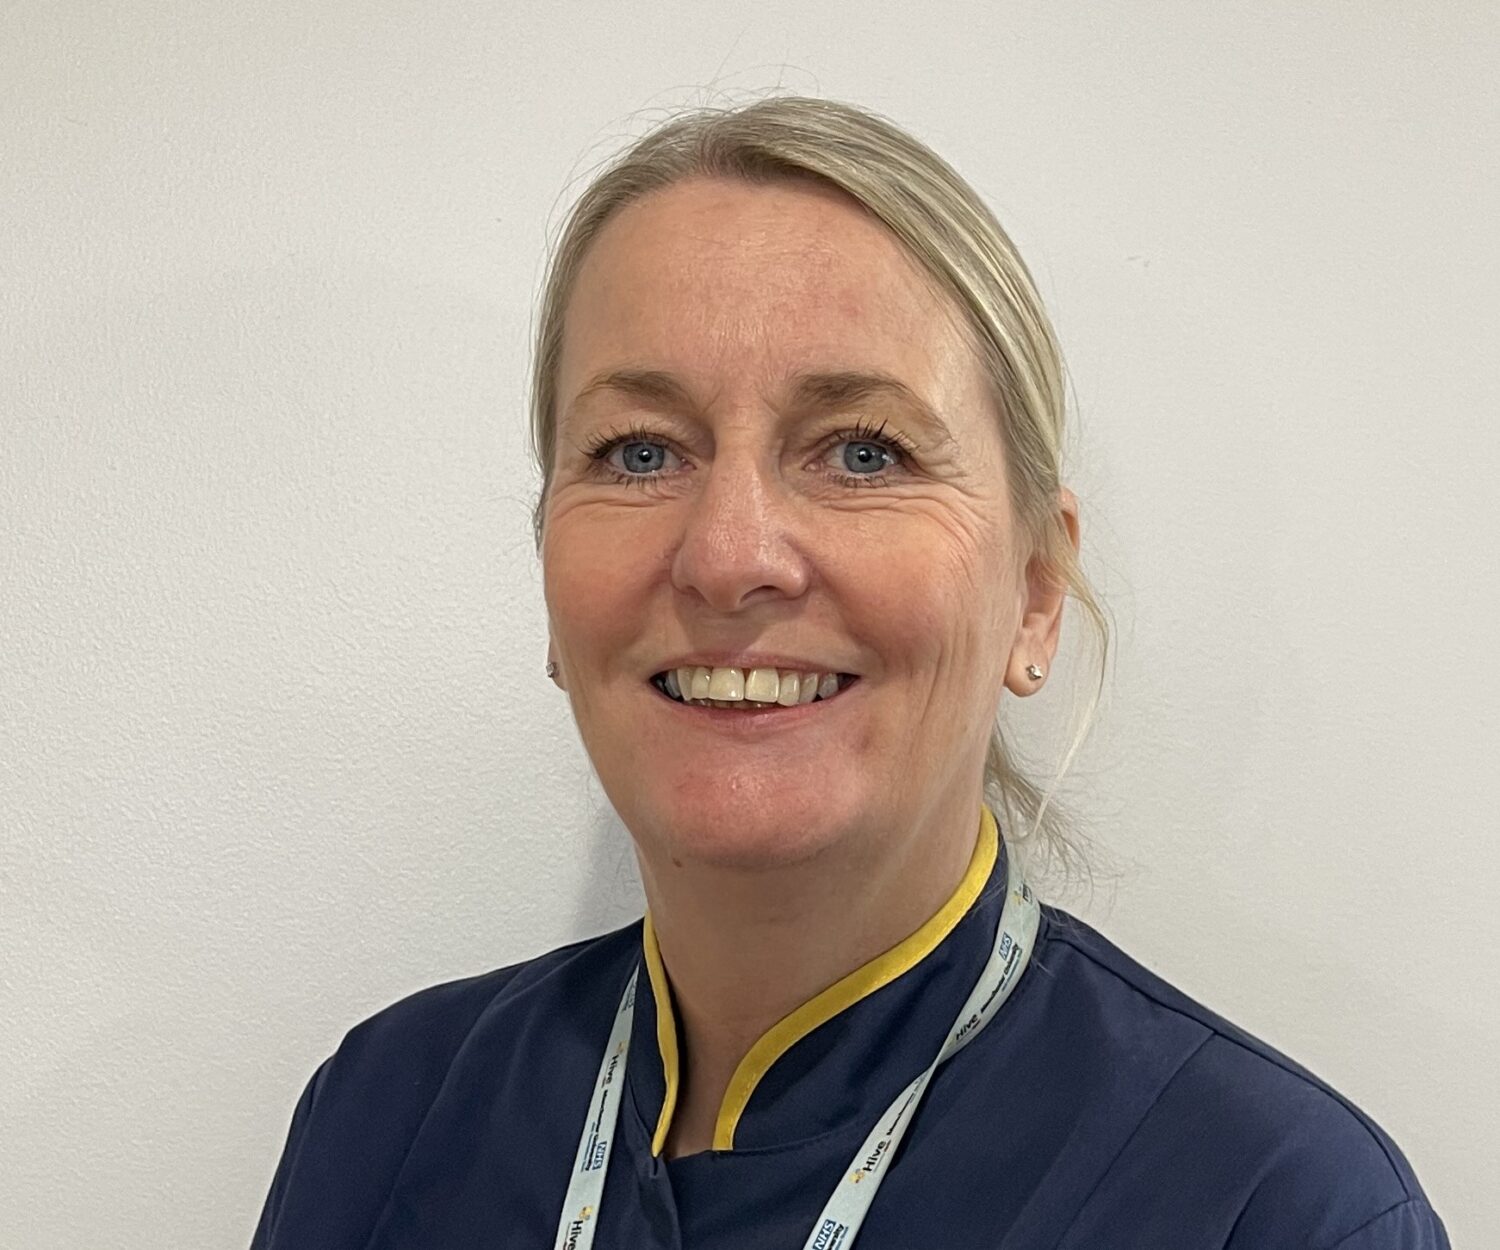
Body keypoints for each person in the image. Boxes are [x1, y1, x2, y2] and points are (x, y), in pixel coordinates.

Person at [250, 96, 1449, 1249]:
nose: (728, 557)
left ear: (1035, 589)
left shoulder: (1271, 1208)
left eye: (864, 452)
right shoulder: (385, 1113)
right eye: (640, 451)